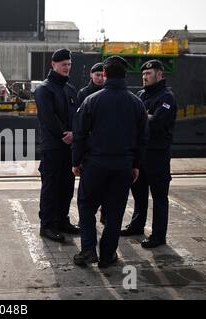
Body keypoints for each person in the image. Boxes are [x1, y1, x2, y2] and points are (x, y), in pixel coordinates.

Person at [71, 56, 148, 268]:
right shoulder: (137, 103)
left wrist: (76, 161)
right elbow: (143, 139)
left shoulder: (91, 100)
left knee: (86, 207)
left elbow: (79, 134)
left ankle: (88, 251)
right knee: (115, 211)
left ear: (104, 74)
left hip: (95, 165)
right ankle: (107, 255)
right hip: (123, 166)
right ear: (125, 75)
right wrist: (136, 165)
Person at [120, 60, 177, 249]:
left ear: (159, 74)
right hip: (140, 154)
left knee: (159, 196)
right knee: (139, 193)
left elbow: (156, 123)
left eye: (149, 74)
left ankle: (159, 235)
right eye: (143, 74)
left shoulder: (167, 97)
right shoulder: (140, 94)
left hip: (158, 155)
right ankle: (137, 225)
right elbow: (132, 118)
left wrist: (142, 117)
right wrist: (146, 115)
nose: (145, 77)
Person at [35, 48, 81, 243]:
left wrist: (75, 134)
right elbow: (48, 118)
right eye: (64, 65)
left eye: (69, 64)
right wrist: (66, 135)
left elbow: (77, 117)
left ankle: (62, 220)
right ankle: (47, 225)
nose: (67, 68)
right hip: (53, 147)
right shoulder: (44, 89)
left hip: (68, 148)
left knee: (67, 187)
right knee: (51, 186)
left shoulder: (70, 89)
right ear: (53, 65)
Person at [77, 62, 106, 224]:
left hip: (103, 144)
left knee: (104, 186)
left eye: (103, 75)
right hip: (89, 147)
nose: (100, 78)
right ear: (91, 75)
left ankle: (103, 211)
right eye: (97, 75)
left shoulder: (108, 92)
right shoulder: (84, 94)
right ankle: (86, 218)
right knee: (87, 187)